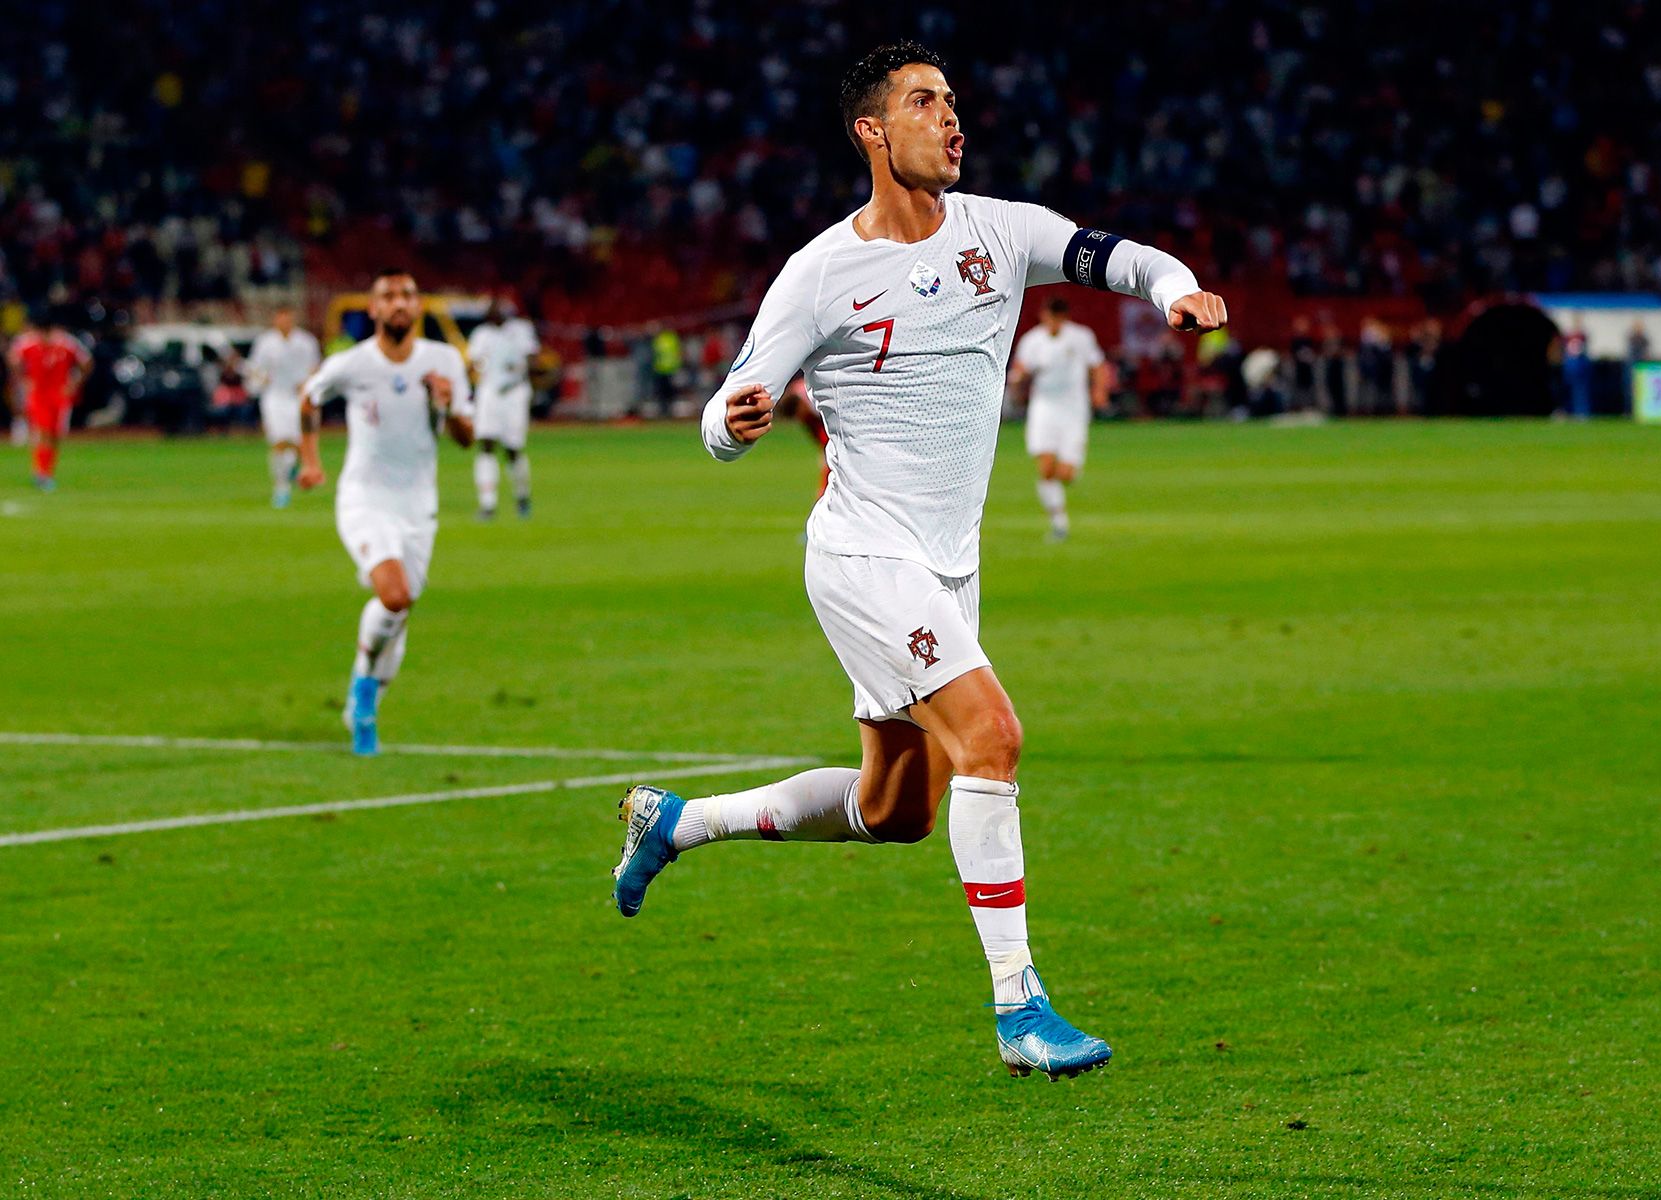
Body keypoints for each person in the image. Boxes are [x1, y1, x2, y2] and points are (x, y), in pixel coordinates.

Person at [610, 42, 1227, 1081]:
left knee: (896, 811)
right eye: (925, 102)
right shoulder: (818, 273)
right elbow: (725, 409)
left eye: (952, 102)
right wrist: (735, 419)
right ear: (871, 131)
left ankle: (681, 822)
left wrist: (1179, 291)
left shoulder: (1003, 229)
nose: (952, 120)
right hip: (860, 554)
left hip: (946, 567)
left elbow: (1116, 256)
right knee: (993, 736)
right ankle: (1019, 1008)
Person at [296, 269, 474, 755]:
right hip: (364, 498)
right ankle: (364, 693)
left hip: (419, 506)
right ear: (372, 309)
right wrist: (310, 460)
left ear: (418, 308)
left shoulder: (443, 362)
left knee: (400, 612)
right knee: (393, 597)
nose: (399, 303)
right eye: (389, 297)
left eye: (408, 296)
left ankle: (367, 694)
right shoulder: (353, 364)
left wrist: (448, 403)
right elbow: (309, 398)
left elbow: (466, 437)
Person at [1009, 296, 1105, 540]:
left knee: (1066, 473)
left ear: (1063, 318)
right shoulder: (1032, 341)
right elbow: (1021, 368)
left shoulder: (1081, 337)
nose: (1051, 323)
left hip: (1074, 409)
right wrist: (1017, 381)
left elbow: (1098, 366)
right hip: (1044, 408)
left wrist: (1099, 391)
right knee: (1046, 468)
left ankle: (1069, 474)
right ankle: (1059, 524)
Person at [466, 301, 540, 519]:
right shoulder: (481, 334)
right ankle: (488, 504)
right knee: (486, 444)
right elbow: (473, 363)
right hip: (489, 393)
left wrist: (523, 367)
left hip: (514, 393)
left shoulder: (521, 330)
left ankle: (522, 496)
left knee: (512, 449)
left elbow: (532, 357)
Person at [245, 305, 321, 508]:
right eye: (281, 318)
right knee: (279, 442)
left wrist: (307, 383)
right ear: (275, 320)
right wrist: (260, 380)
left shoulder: (306, 342)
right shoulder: (265, 343)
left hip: (298, 398)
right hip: (275, 397)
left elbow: (315, 368)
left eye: (288, 318)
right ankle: (281, 488)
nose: (284, 322)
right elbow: (255, 369)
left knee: (299, 444)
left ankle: (293, 468)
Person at [6, 310, 92, 491]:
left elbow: (86, 363)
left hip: (59, 396)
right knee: (43, 431)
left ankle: (46, 471)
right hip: (38, 395)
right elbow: (12, 360)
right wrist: (24, 380)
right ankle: (42, 474)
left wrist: (74, 383)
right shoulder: (27, 343)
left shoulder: (66, 343)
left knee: (54, 435)